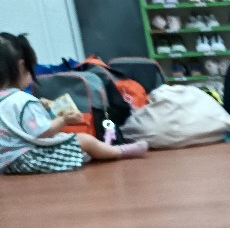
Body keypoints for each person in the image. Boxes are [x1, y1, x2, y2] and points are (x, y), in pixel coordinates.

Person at [0, 32, 147, 175]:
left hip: (5, 163)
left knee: (67, 141)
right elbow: (43, 131)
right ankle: (119, 151)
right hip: (28, 160)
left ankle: (88, 153)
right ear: (21, 66)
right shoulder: (23, 100)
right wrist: (64, 120)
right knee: (84, 140)